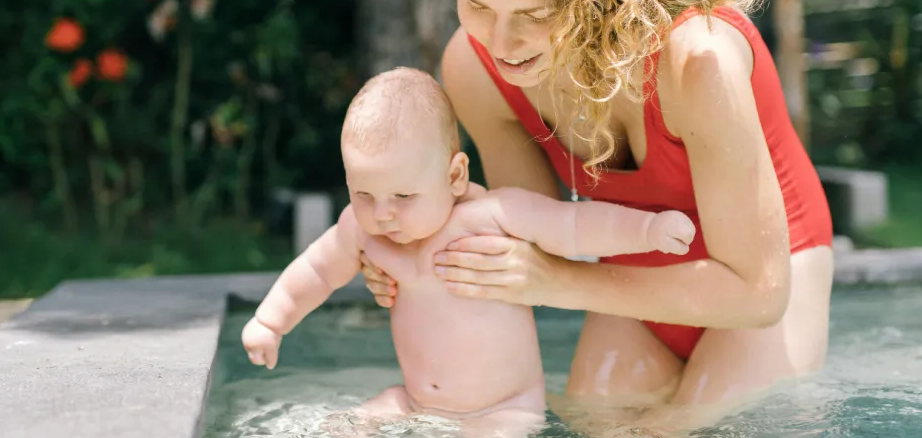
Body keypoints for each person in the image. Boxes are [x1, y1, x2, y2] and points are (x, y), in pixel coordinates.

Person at [357, 0, 836, 433]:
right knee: (597, 426)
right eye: (477, 4)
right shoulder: (475, 67)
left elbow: (759, 295)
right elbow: (530, 240)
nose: (501, 41)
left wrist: (554, 280)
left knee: (700, 425)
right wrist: (410, 250)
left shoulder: (698, 60)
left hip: (765, 272)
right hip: (633, 272)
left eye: (533, 13)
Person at [240, 67, 696, 437]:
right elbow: (317, 271)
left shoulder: (493, 216)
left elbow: (575, 227)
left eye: (403, 197)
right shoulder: (361, 231)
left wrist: (649, 228)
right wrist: (270, 322)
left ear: (455, 177)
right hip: (416, 401)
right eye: (363, 194)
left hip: (504, 411)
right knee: (344, 427)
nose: (383, 215)